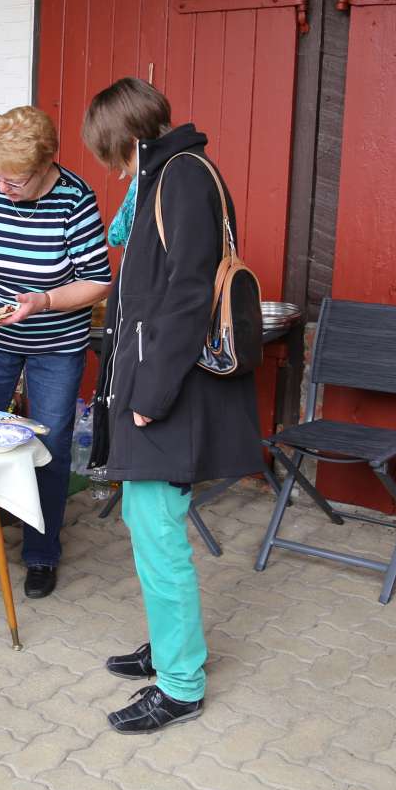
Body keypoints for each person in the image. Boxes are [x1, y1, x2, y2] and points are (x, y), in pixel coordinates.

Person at [80, 77, 261, 733]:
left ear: (126, 139)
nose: (111, 169)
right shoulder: (167, 174)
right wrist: (138, 175)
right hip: (157, 381)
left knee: (157, 529)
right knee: (142, 516)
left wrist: (149, 397)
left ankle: (182, 685)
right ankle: (168, 643)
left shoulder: (181, 175)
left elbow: (186, 294)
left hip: (171, 390)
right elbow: (127, 239)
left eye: (113, 155)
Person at [0, 106, 113, 598]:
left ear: (48, 161)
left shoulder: (75, 198)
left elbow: (97, 281)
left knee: (48, 446)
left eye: (18, 181)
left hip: (57, 343)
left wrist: (45, 301)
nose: (4, 188)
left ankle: (41, 551)